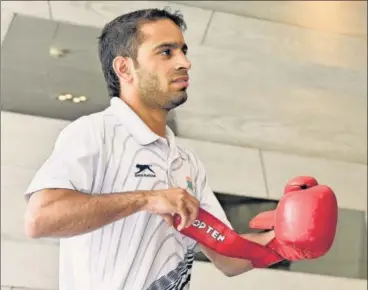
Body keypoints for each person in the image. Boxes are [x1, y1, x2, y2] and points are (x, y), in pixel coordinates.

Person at [24, 8, 275, 290]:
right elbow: (40, 218)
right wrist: (146, 199)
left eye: (183, 50)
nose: (185, 62)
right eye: (166, 52)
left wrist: (289, 236)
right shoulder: (95, 132)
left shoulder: (186, 163)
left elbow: (228, 257)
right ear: (124, 68)